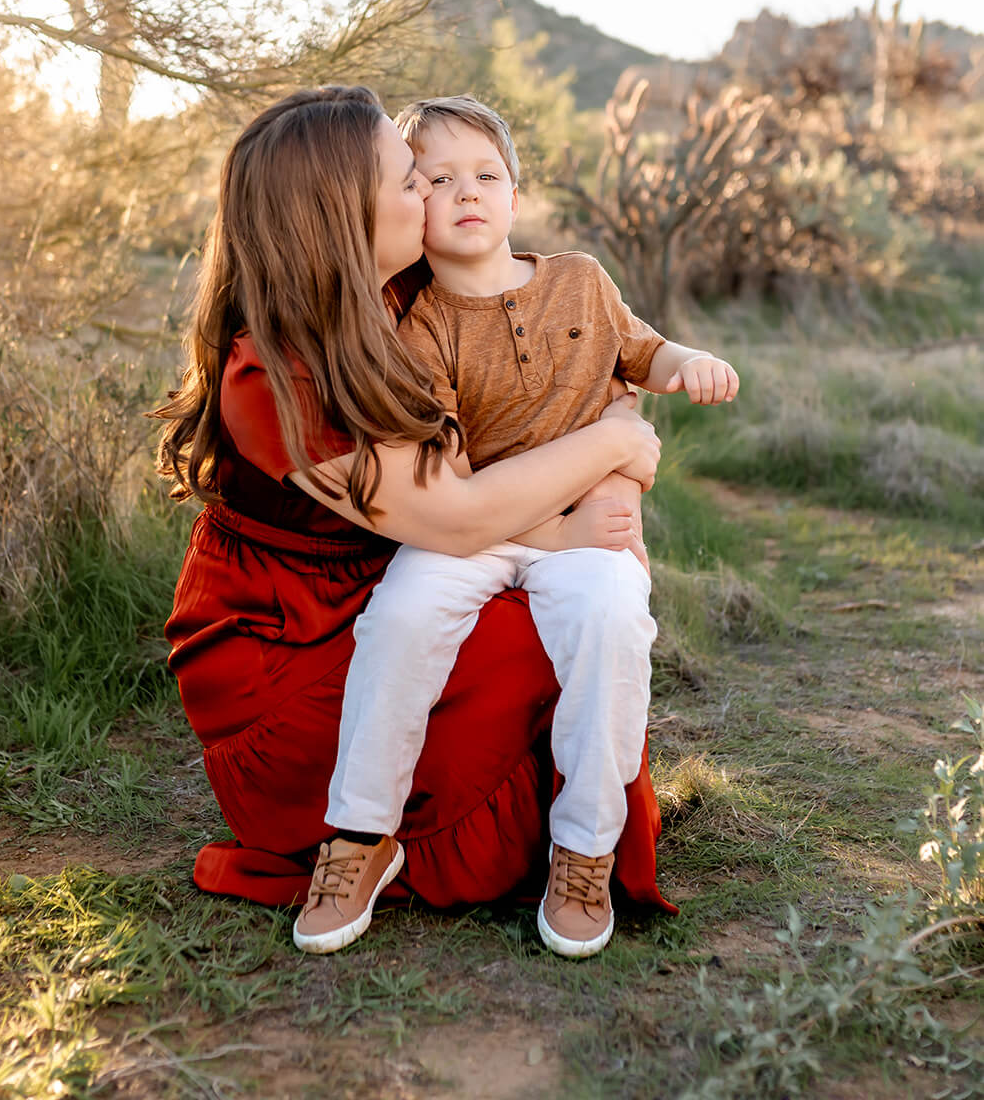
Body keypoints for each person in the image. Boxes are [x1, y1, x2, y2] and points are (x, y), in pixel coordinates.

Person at [154, 85, 671, 946]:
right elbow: (461, 517)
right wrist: (613, 448)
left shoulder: (409, 296)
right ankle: (362, 835)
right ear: (340, 214)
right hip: (286, 642)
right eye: (412, 181)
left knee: (593, 616)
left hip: (388, 571)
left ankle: (583, 848)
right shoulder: (272, 378)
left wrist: (612, 457)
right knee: (522, 638)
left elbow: (571, 379)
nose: (436, 197)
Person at [299, 96, 739, 959]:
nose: (467, 192)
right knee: (398, 620)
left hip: (581, 528)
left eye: (487, 175)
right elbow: (454, 484)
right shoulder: (417, 325)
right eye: (438, 179)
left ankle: (584, 847)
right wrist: (565, 523)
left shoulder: (579, 278)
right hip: (482, 525)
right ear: (408, 200)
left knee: (613, 620)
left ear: (515, 190)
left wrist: (693, 366)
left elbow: (643, 353)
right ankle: (360, 835)